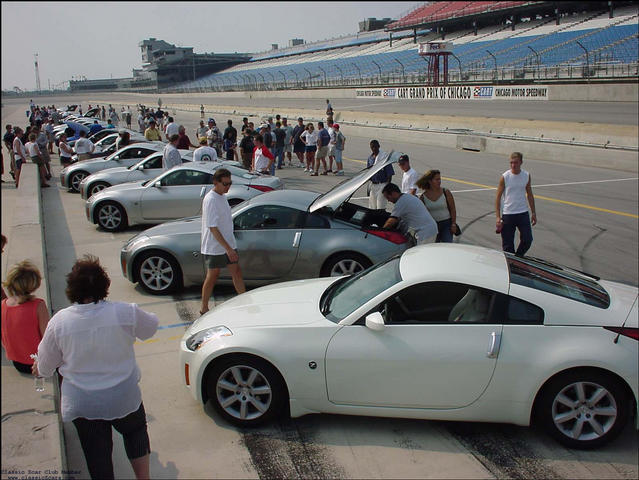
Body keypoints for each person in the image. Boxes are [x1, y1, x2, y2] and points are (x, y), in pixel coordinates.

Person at [34, 255, 158, 480]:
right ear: (104, 285)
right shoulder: (124, 312)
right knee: (135, 432)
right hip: (124, 396)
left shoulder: (59, 322)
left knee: (97, 455)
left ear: (71, 289)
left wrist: (39, 369)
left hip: (84, 404)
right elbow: (151, 328)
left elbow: (44, 366)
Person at [200, 169, 246, 314]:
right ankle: (203, 308)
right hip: (215, 247)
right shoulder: (211, 199)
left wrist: (230, 246)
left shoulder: (222, 196)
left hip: (228, 244)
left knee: (236, 272)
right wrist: (228, 249)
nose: (228, 187)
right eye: (225, 184)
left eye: (230, 183)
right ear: (216, 182)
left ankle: (244, 302)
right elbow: (212, 227)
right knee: (212, 276)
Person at [1, 260, 50, 373]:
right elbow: (47, 338)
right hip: (37, 363)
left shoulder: (3, 305)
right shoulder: (38, 305)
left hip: (17, 362)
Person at [495, 152, 537, 256]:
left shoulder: (526, 175)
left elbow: (530, 194)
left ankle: (518, 258)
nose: (513, 165)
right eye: (511, 163)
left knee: (527, 239)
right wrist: (498, 217)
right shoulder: (505, 177)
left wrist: (533, 212)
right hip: (508, 214)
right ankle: (511, 263)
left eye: (516, 163)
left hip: (522, 213)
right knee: (508, 245)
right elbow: (498, 197)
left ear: (521, 162)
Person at [416, 169, 457, 243]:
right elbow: (423, 215)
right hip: (433, 226)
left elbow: (453, 209)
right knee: (435, 248)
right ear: (430, 181)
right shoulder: (423, 197)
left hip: (446, 224)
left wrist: (453, 224)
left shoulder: (446, 192)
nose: (439, 181)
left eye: (440, 179)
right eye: (437, 179)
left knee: (447, 245)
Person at [367, 140, 394, 210]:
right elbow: (368, 173)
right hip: (373, 185)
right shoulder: (370, 159)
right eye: (372, 147)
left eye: (375, 147)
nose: (374, 149)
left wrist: (387, 188)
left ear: (379, 146)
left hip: (382, 185)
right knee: (372, 206)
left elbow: (389, 174)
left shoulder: (384, 158)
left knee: (380, 206)